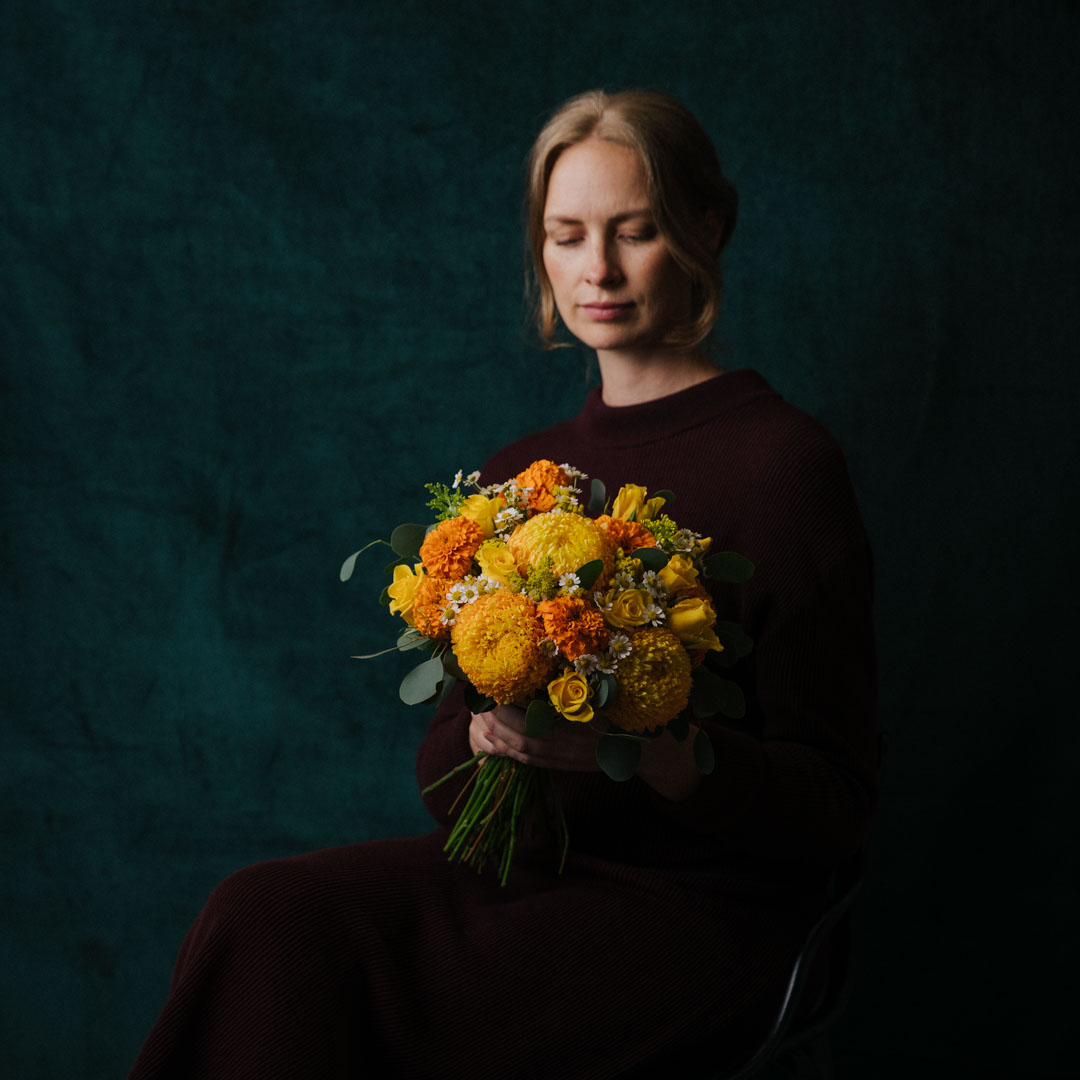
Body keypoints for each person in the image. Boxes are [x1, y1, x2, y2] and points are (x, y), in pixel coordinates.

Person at [129, 89, 877, 1079]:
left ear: (706, 228)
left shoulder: (781, 465)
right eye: (566, 236)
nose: (596, 270)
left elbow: (835, 808)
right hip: (525, 879)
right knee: (264, 914)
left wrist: (661, 758)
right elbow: (442, 779)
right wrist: (485, 739)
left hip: (696, 913)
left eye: (635, 232)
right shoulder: (521, 478)